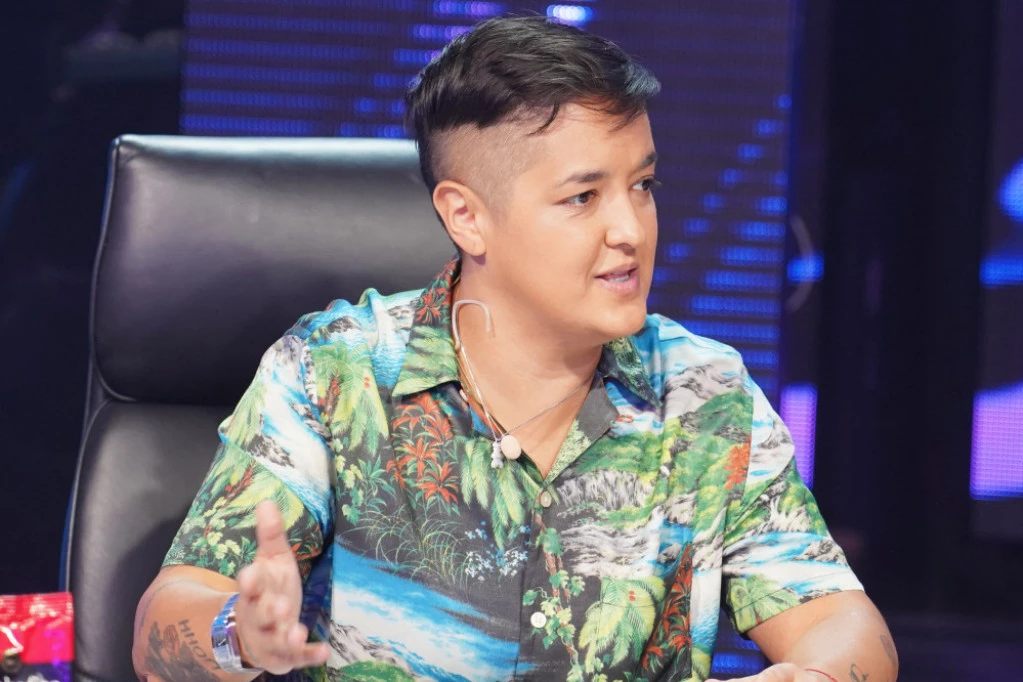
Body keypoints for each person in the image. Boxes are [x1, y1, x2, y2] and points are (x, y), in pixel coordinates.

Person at [131, 16, 898, 682]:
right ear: (466, 217)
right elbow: (160, 629)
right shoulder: (336, 373)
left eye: (642, 185)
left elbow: (840, 621)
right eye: (582, 197)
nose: (629, 230)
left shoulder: (702, 394)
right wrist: (239, 634)